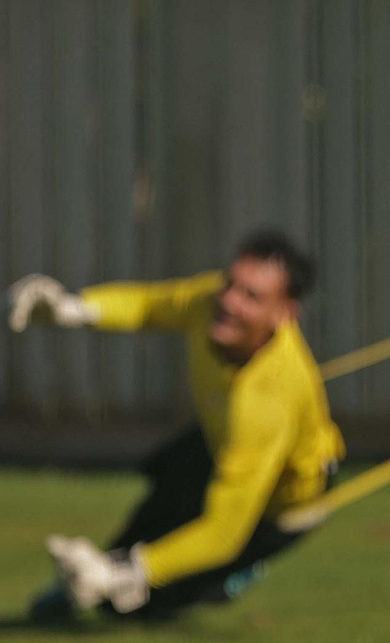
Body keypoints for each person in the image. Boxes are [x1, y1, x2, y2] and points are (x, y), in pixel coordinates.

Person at [9, 230, 345, 620]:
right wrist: (72, 309)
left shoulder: (270, 400)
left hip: (279, 502)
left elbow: (223, 533)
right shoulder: (211, 303)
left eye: (252, 296)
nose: (230, 301)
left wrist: (130, 572)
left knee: (144, 603)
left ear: (285, 313)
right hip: (218, 444)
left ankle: (236, 575)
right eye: (230, 284)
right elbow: (148, 306)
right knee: (147, 519)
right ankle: (78, 588)